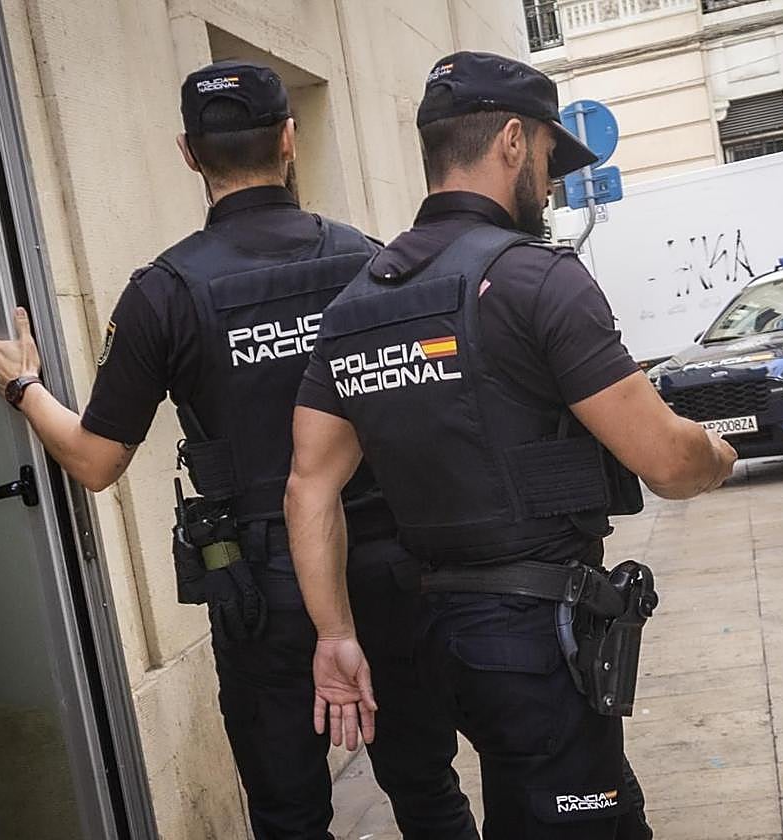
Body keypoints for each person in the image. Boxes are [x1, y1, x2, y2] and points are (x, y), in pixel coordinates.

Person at [0, 60, 474, 840]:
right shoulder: (368, 262)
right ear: (287, 139)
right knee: (428, 790)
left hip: (263, 592)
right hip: (384, 565)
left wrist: (22, 387)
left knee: (288, 815)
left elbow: (96, 462)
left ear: (187, 152)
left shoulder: (164, 291)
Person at [286, 51, 738, 839]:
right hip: (531, 637)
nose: (552, 182)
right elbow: (667, 462)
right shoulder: (536, 280)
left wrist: (334, 635)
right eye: (549, 158)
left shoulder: (357, 305)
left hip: (420, 637)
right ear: (510, 143)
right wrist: (719, 454)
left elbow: (310, 487)